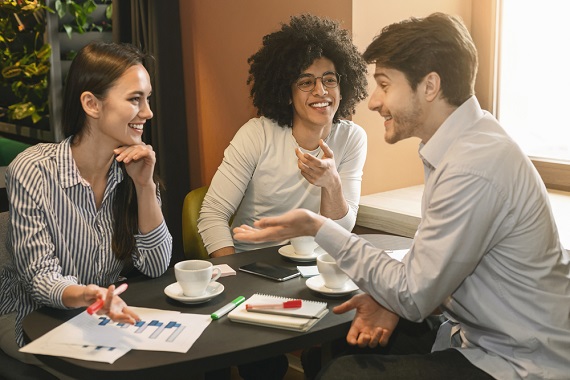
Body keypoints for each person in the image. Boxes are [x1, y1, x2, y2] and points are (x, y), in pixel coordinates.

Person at [233, 12, 570, 380]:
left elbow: (412, 293)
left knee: (341, 374)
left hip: (519, 361)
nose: (374, 101)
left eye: (384, 84)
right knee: (342, 345)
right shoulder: (463, 143)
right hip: (479, 335)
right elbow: (434, 267)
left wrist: (316, 226)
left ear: (429, 86)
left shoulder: (472, 166)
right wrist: (388, 299)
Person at [0, 41, 172, 374]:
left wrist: (145, 186)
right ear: (92, 104)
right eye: (135, 99)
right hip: (30, 321)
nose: (148, 112)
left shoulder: (131, 169)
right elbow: (39, 277)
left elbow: (154, 265)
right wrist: (88, 295)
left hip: (97, 320)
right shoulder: (33, 169)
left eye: (148, 98)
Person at [198, 13, 368, 258]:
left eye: (329, 80)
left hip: (314, 267)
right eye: (306, 82)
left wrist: (332, 183)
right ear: (287, 94)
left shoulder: (352, 138)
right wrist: (233, 275)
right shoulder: (257, 134)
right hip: (252, 264)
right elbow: (213, 214)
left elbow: (340, 234)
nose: (321, 91)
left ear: (343, 88)